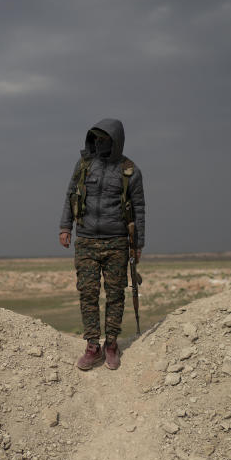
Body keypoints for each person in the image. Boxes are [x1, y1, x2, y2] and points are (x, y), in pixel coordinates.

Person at [59, 118, 146, 371]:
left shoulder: (130, 170)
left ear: (115, 141)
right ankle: (92, 345)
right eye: (96, 138)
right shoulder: (84, 165)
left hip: (117, 241)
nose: (99, 142)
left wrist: (137, 244)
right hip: (86, 239)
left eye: (104, 138)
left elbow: (139, 209)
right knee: (87, 293)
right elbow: (70, 195)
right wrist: (65, 227)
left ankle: (111, 344)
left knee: (116, 294)